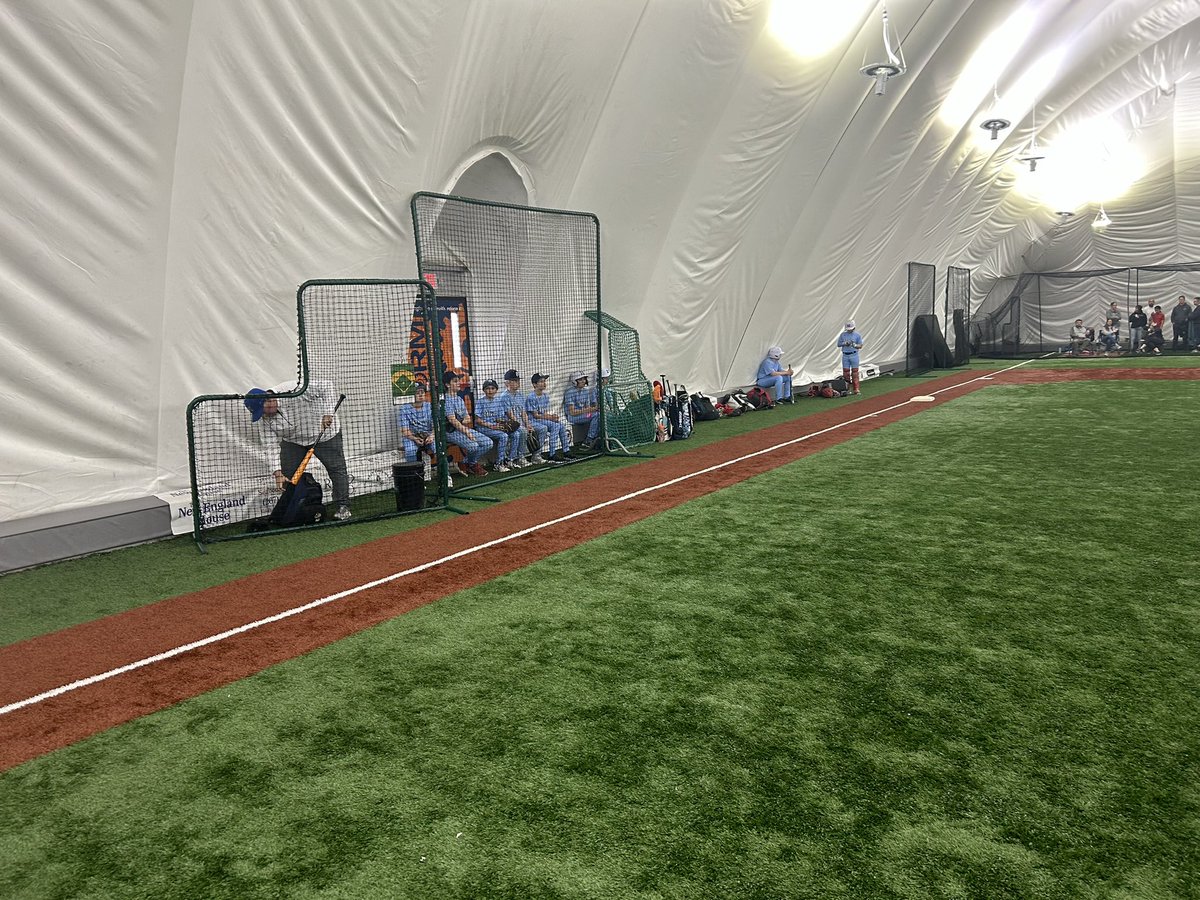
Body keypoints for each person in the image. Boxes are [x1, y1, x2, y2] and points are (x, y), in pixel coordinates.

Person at [244, 380, 351, 520]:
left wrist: (327, 413)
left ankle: (343, 506)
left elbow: (327, 386)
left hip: (325, 435)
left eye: (263, 411)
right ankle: (296, 506)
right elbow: (270, 446)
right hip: (293, 441)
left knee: (336, 469)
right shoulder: (264, 419)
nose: (264, 416)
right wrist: (278, 473)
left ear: (269, 401)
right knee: (288, 475)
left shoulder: (294, 389)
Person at [442, 370, 493, 476]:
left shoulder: (459, 399)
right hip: (450, 432)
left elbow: (467, 418)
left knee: (488, 443)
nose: (458, 383)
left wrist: (462, 422)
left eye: (458, 381)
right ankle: (472, 464)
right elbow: (453, 421)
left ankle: (466, 463)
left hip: (461, 429)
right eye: (455, 381)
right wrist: (467, 432)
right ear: (447, 385)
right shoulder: (446, 400)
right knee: (473, 446)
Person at [396, 381, 442, 483]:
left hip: (428, 435)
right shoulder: (404, 408)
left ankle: (445, 475)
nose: (421, 394)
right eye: (417, 392)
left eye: (422, 392)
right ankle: (413, 478)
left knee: (439, 449)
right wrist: (415, 439)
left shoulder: (429, 406)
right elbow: (405, 430)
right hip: (411, 436)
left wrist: (432, 436)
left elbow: (436, 425)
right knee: (411, 451)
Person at [474, 379, 524, 472]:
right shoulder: (480, 402)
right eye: (487, 388)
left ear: (496, 390)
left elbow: (500, 418)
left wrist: (503, 424)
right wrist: (491, 426)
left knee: (516, 434)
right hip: (483, 428)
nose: (490, 390)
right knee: (503, 436)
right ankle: (498, 463)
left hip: (496, 427)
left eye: (492, 388)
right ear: (484, 390)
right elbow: (478, 420)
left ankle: (510, 460)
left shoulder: (498, 401)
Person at [526, 372, 572, 461]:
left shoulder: (545, 396)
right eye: (541, 381)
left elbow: (544, 412)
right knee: (555, 425)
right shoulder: (531, 397)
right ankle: (552, 453)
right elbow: (535, 415)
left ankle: (566, 451)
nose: (544, 383)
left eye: (544, 381)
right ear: (534, 384)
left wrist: (552, 416)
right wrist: (550, 418)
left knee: (561, 426)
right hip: (533, 421)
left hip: (542, 419)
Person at [502, 369, 540, 466]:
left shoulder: (520, 395)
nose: (517, 383)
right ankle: (520, 457)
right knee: (523, 431)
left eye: (518, 380)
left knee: (541, 428)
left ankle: (536, 455)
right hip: (510, 424)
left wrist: (528, 424)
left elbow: (523, 413)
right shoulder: (504, 396)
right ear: (507, 383)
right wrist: (523, 426)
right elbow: (510, 415)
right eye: (514, 380)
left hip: (520, 423)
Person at [564, 371, 601, 450]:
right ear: (575, 381)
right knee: (597, 415)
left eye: (584, 379)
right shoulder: (569, 392)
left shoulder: (585, 391)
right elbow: (572, 412)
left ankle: (596, 439)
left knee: (598, 414)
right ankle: (589, 440)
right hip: (573, 417)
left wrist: (592, 410)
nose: (583, 381)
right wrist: (589, 410)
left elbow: (588, 408)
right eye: (580, 380)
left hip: (583, 415)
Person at [837, 322, 864, 394]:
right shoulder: (843, 335)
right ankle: (847, 389)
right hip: (845, 355)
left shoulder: (857, 335)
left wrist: (854, 345)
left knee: (855, 372)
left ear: (854, 328)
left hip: (854, 355)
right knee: (846, 372)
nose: (849, 330)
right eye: (848, 329)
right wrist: (845, 343)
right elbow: (838, 344)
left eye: (851, 329)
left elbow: (860, 345)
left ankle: (856, 389)